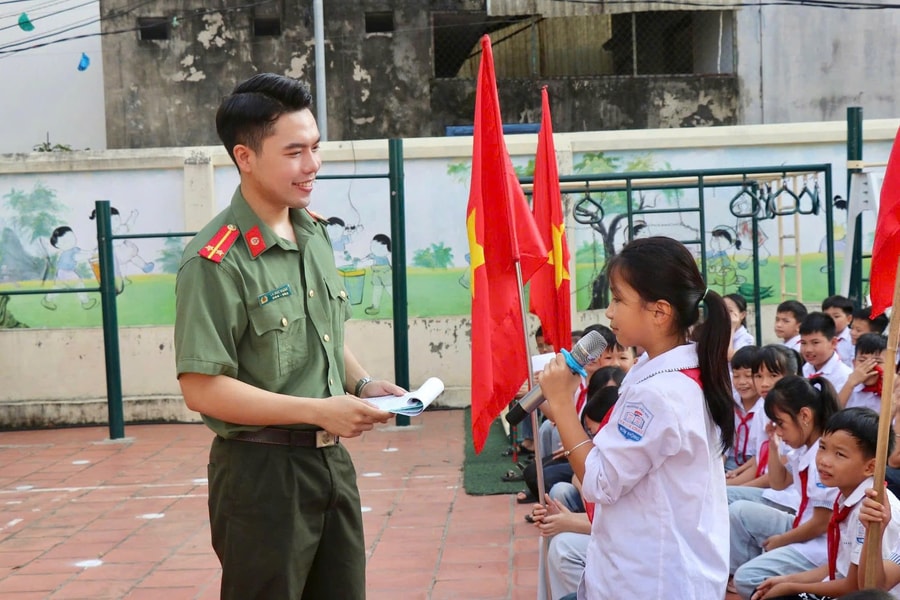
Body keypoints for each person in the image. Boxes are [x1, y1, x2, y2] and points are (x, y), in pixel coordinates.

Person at [173, 73, 400, 600]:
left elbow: (319, 332)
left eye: (315, 148)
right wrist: (319, 410)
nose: (313, 165)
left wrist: (363, 385)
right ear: (245, 157)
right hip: (261, 475)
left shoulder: (313, 233)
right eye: (294, 151)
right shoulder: (216, 260)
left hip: (329, 463)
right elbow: (201, 388)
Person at [539, 235, 734, 599]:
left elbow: (599, 481)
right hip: (655, 568)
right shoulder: (665, 372)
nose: (609, 312)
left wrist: (563, 406)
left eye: (617, 300)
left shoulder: (659, 393)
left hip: (652, 579)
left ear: (659, 312)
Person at [750, 407, 900, 599]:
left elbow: (864, 587)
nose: (824, 461)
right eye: (822, 448)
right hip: (842, 587)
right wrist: (787, 581)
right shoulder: (847, 496)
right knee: (766, 589)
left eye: (840, 454)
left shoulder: (873, 509)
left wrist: (791, 587)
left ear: (870, 466)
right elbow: (838, 568)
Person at [730, 375, 841, 599]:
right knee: (738, 511)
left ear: (805, 416)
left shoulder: (823, 457)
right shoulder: (805, 447)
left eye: (781, 423)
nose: (778, 429)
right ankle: (748, 570)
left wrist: (782, 540)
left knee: (747, 579)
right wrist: (774, 444)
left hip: (819, 544)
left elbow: (821, 524)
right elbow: (779, 482)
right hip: (802, 524)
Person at [727, 346, 803, 515]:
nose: (764, 383)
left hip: (786, 497)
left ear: (793, 376)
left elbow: (777, 477)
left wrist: (736, 488)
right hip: (767, 489)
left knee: (723, 498)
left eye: (773, 375)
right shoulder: (763, 410)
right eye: (758, 376)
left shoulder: (797, 415)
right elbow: (759, 461)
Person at [728, 345, 762, 472]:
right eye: (736, 376)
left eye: (748, 376)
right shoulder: (730, 402)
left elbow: (762, 456)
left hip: (756, 461)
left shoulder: (766, 407)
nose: (741, 382)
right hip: (732, 459)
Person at [800, 312, 853, 393]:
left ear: (833, 343)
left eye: (815, 343)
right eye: (803, 343)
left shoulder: (845, 376)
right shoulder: (805, 369)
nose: (808, 349)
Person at [838, 334, 887, 411]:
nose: (869, 367)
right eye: (862, 361)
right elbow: (832, 415)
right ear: (854, 363)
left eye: (877, 361)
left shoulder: (894, 391)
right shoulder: (844, 386)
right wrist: (849, 385)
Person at [821, 295, 855, 367]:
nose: (831, 320)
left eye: (836, 316)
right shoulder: (820, 337)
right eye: (826, 316)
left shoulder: (853, 338)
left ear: (849, 319)